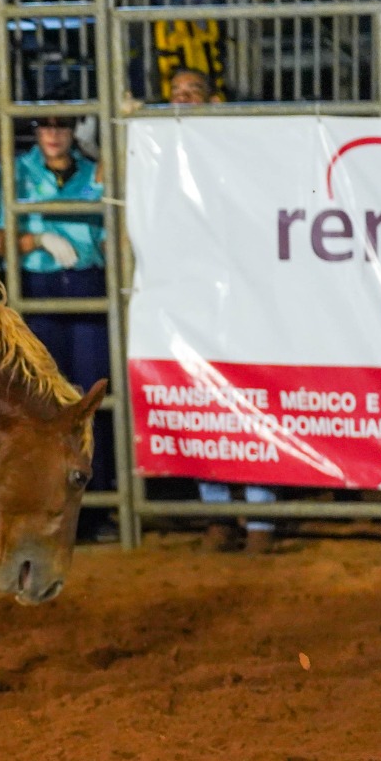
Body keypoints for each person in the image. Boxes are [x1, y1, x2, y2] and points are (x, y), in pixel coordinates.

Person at [163, 64, 276, 552]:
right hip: (186, 291)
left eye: (193, 92)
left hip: (243, 288)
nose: (184, 100)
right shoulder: (158, 150)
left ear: (212, 101)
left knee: (248, 393)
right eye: (176, 93)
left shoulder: (239, 145)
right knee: (197, 396)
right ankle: (217, 514)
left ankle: (260, 516)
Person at [0, 115, 114, 512]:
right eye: (44, 125)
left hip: (88, 283)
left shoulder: (95, 169)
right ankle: (43, 497)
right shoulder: (13, 172)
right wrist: (35, 239)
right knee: (41, 397)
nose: (53, 134)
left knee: (91, 394)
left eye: (62, 125)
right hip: (36, 288)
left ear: (75, 131)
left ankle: (96, 501)